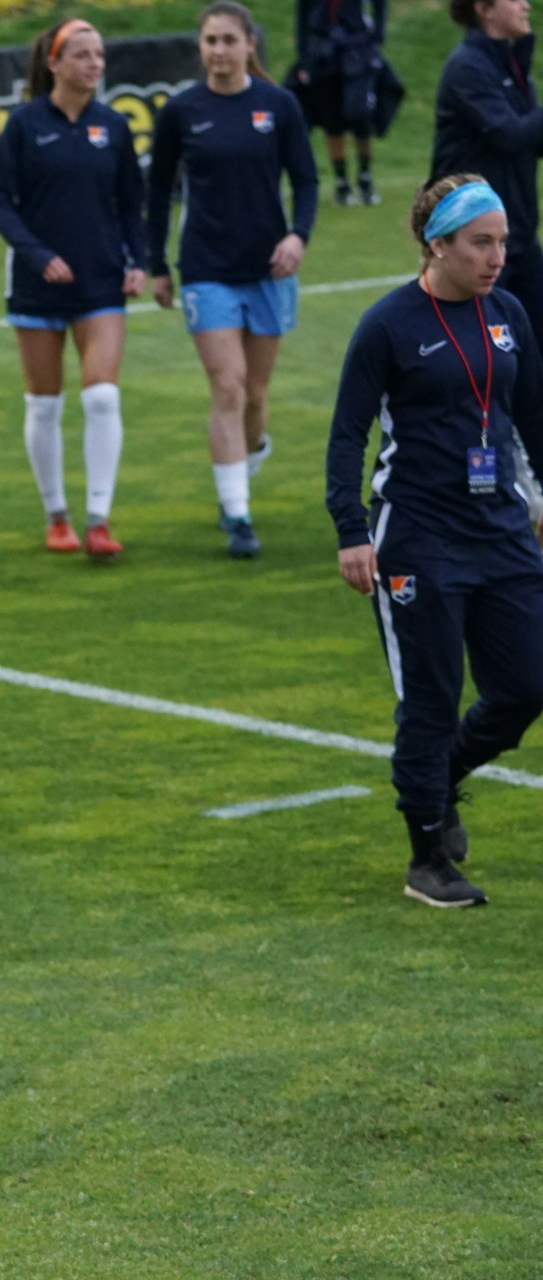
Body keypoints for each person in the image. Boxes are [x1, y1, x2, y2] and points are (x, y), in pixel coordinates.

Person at [325, 175, 543, 908]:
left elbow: (531, 415)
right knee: (431, 697)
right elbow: (348, 434)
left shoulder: (508, 313)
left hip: (501, 529)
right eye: (481, 243)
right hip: (418, 534)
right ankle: (427, 858)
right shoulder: (388, 324)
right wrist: (351, 531)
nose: (497, 257)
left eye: (502, 242)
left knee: (528, 685)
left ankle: (441, 777)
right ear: (437, 244)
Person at [149, 0, 319, 559]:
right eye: (210, 41)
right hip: (205, 269)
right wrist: (156, 264)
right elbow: (157, 192)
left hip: (269, 269)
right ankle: (238, 516)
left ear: (250, 45)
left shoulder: (278, 105)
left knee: (255, 395)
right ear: (200, 48)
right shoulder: (181, 111)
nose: (219, 51)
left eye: (229, 40)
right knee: (228, 385)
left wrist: (297, 237)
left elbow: (307, 180)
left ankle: (247, 458)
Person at [0, 19, 149, 558]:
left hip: (101, 282)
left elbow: (132, 204)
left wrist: (139, 262)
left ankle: (99, 521)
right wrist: (38, 256)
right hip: (36, 287)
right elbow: (1, 206)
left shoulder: (114, 126)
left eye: (99, 54)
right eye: (82, 55)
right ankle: (56, 515)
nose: (94, 64)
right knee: (44, 405)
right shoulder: (23, 125)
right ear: (54, 63)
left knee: (102, 396)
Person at [432, 0, 543, 340]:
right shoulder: (467, 67)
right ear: (485, 8)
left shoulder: (512, 64)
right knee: (484, 353)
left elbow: (532, 140)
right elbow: (508, 134)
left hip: (518, 234)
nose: (526, 5)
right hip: (475, 240)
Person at [293, 0, 389, 205]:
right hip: (322, 50)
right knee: (332, 120)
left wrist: (377, 37)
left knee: (358, 113)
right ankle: (342, 181)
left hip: (356, 47)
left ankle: (364, 175)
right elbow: (302, 13)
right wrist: (303, 57)